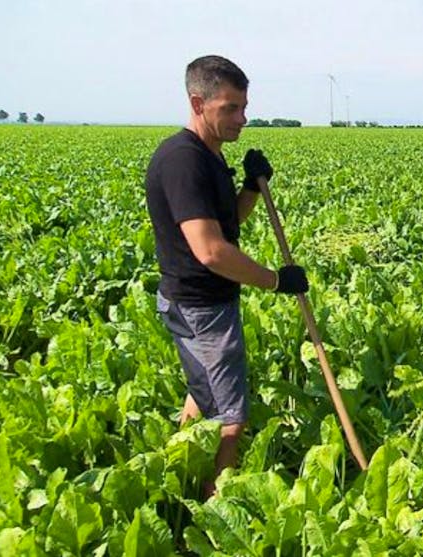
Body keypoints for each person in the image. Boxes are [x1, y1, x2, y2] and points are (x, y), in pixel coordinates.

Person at [144, 55, 309, 496]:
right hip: (200, 308)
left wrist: (250, 189)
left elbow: (224, 226)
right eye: (230, 108)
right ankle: (213, 509)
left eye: (244, 106)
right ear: (198, 103)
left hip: (202, 303)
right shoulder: (183, 161)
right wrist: (276, 281)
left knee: (203, 394)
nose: (243, 119)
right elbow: (211, 251)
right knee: (231, 419)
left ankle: (178, 475)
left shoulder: (210, 157)